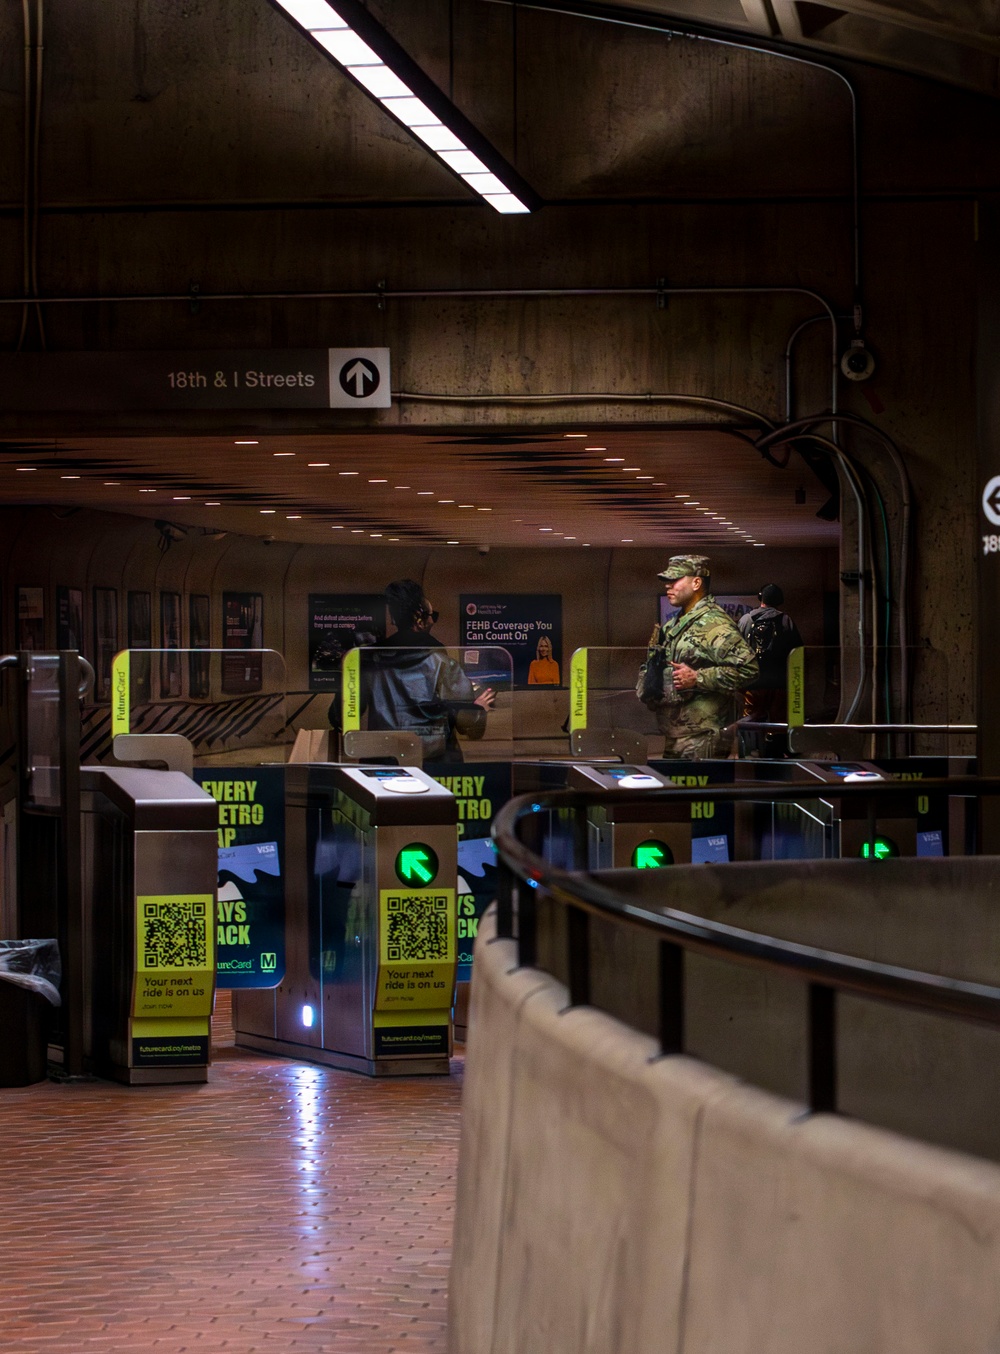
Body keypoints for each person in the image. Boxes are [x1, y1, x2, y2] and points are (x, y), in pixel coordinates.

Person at [638, 554, 758, 760]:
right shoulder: (675, 624)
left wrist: (698, 678)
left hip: (703, 735)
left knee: (698, 791)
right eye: (667, 581)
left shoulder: (714, 624)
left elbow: (748, 669)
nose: (668, 586)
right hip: (676, 731)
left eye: (675, 580)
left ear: (696, 582)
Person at [362, 579, 494, 764]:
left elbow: (339, 715)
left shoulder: (370, 659)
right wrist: (479, 707)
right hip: (431, 761)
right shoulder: (441, 662)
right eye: (433, 615)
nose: (433, 620)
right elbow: (466, 723)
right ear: (419, 617)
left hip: (384, 759)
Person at [737, 583, 803, 757]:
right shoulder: (785, 620)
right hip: (779, 682)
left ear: (761, 598)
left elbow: (736, 650)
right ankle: (776, 754)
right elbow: (797, 649)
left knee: (751, 718)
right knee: (778, 720)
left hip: (753, 682)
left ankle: (750, 752)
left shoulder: (746, 620)